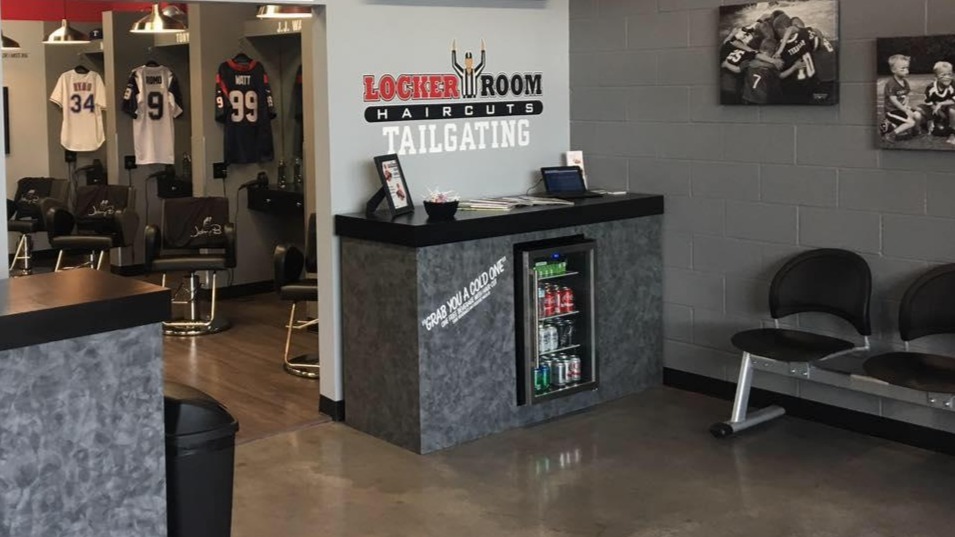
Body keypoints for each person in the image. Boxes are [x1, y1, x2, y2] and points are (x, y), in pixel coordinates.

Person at [880, 55, 923, 142]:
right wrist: (905, 110)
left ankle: (915, 131)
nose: (906, 71)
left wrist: (907, 107)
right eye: (902, 69)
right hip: (892, 111)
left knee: (918, 115)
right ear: (893, 70)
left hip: (901, 109)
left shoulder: (905, 82)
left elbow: (906, 96)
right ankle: (890, 135)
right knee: (911, 122)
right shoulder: (891, 83)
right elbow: (894, 100)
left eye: (907, 68)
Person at [920, 61, 955, 144]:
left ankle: (953, 132)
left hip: (948, 107)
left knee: (952, 110)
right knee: (921, 113)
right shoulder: (930, 88)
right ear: (936, 77)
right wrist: (938, 111)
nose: (947, 77)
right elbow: (929, 103)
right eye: (943, 75)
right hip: (936, 109)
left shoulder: (953, 85)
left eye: (949, 74)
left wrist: (941, 104)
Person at [742, 40, 782, 104]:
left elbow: (780, 66)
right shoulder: (752, 58)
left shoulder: (774, 61)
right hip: (752, 97)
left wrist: (762, 64)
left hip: (757, 97)